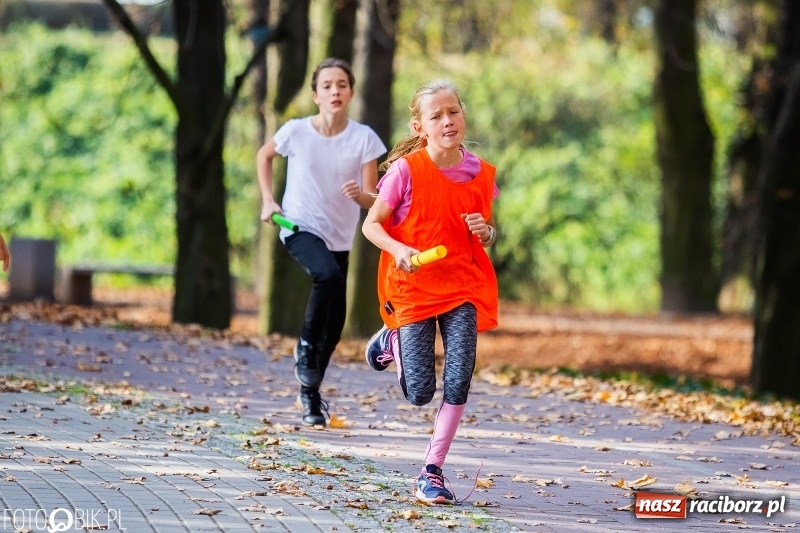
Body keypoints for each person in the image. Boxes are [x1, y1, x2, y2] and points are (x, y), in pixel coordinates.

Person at [361, 79, 499, 505]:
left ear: (463, 115)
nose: (447, 121)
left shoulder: (482, 173)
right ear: (419, 126)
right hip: (414, 289)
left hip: (462, 288)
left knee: (459, 380)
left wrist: (488, 232)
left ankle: (432, 472)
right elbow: (372, 225)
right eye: (436, 115)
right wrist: (399, 248)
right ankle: (390, 337)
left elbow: (486, 233)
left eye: (452, 112)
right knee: (420, 392)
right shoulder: (406, 171)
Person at [256, 58, 387, 428]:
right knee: (326, 276)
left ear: (351, 93)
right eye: (327, 85)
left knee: (335, 325)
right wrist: (269, 200)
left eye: (342, 85)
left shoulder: (364, 138)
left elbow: (373, 198)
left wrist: (360, 194)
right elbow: (264, 156)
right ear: (315, 94)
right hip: (298, 224)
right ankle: (304, 348)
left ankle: (310, 395)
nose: (335, 91)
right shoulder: (296, 131)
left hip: (340, 235)